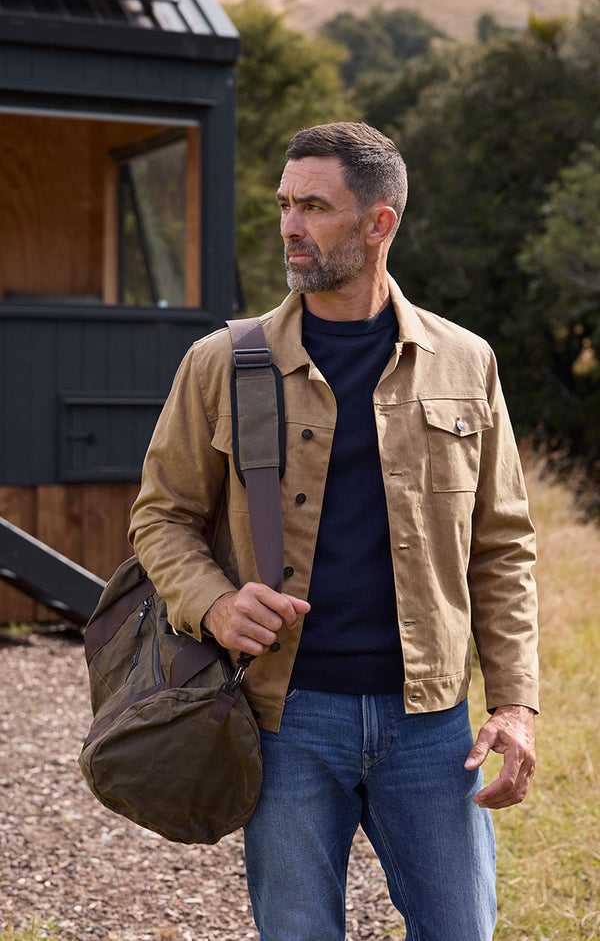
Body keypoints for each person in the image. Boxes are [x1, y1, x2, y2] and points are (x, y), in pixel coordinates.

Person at [129, 122, 539, 941]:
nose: (290, 225)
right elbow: (160, 515)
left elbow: (503, 545)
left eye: (314, 206)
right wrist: (211, 602)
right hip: (286, 720)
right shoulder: (221, 361)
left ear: (379, 222)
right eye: (285, 203)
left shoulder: (466, 361)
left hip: (431, 725)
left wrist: (517, 703)